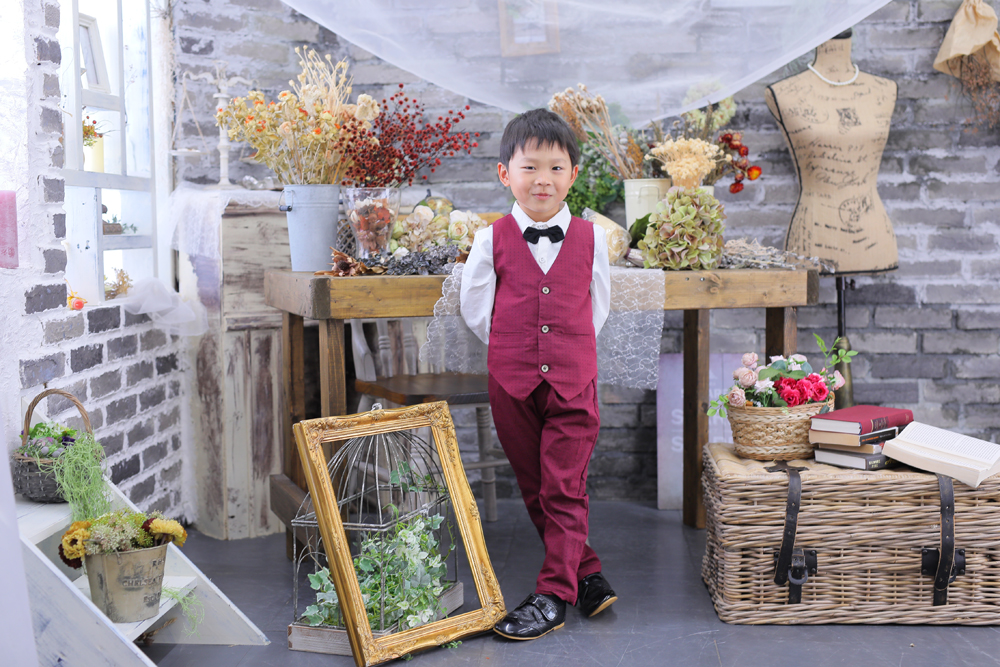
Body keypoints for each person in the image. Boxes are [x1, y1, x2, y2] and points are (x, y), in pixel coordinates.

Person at [460, 108, 615, 640]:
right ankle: (586, 573)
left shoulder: (593, 240)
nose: (542, 179)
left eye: (555, 168)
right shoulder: (491, 238)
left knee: (564, 488)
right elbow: (477, 310)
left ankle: (552, 596)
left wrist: (564, 348)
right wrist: (515, 349)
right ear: (506, 174)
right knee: (536, 486)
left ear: (573, 175)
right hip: (512, 383)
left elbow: (596, 310)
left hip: (574, 381)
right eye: (529, 167)